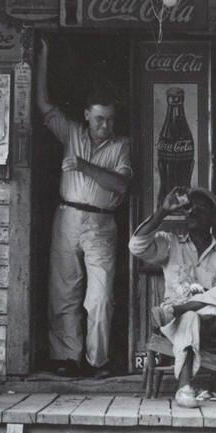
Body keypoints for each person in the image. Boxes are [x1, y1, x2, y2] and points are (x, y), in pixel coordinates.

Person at [35, 37, 133, 378]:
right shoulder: (73, 132)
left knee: (101, 295)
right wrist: (45, 54)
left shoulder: (121, 146)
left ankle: (98, 361)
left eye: (110, 120)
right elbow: (44, 104)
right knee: (63, 292)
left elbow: (120, 184)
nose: (104, 126)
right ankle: (67, 357)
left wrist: (83, 166)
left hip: (101, 222)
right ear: (87, 115)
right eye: (99, 119)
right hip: (67, 216)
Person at [130, 186, 216, 408]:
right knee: (190, 317)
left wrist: (211, 315)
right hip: (173, 322)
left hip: (211, 321)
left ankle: (181, 309)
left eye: (201, 209)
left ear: (213, 218)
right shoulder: (170, 243)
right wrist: (163, 211)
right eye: (190, 208)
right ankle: (184, 388)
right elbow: (136, 246)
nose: (193, 212)